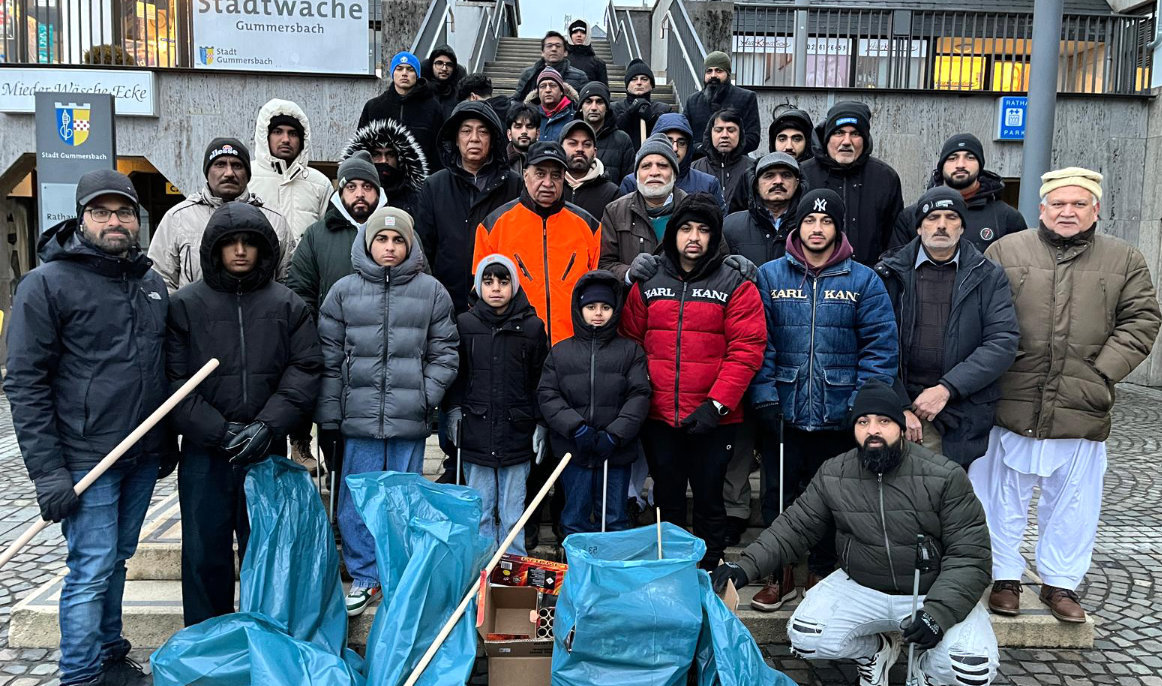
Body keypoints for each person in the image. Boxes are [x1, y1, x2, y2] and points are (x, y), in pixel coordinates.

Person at [712, 380, 999, 686]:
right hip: (864, 586)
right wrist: (744, 567)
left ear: (901, 426)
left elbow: (971, 556)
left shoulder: (945, 476)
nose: (872, 430)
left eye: (883, 421)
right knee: (806, 636)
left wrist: (938, 613)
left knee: (971, 668)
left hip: (930, 590)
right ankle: (876, 651)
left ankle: (927, 672)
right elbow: (795, 526)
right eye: (863, 422)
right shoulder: (834, 472)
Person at [972, 167, 1161, 622]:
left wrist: (1102, 371)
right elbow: (979, 311)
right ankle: (1004, 576)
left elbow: (1142, 319)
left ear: (1096, 209)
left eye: (1078, 204)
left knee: (1074, 501)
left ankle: (1060, 583)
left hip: (1081, 401)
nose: (1067, 212)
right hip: (1014, 396)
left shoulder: (1124, 259)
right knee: (1001, 495)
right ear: (1042, 209)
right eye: (1058, 203)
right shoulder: (1006, 251)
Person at [4, 170, 169, 686]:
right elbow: (25, 383)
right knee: (92, 568)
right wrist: (48, 474)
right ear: (81, 219)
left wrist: (162, 442)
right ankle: (79, 675)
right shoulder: (46, 284)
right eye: (101, 212)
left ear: (137, 220)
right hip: (84, 459)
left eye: (124, 212)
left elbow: (155, 368)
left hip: (139, 454)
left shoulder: (149, 283)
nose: (114, 221)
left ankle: (110, 655)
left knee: (118, 560)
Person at [166, 202, 322, 627]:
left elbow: (305, 368)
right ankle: (208, 642)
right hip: (205, 453)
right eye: (230, 243)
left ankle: (263, 636)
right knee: (204, 554)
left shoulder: (288, 305)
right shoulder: (185, 305)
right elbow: (173, 381)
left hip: (264, 449)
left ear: (263, 248)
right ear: (213, 249)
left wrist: (269, 424)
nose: (239, 251)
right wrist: (217, 431)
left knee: (266, 552)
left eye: (249, 243)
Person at [748, 188, 898, 611]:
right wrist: (765, 397)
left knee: (834, 497)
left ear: (838, 228)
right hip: (784, 409)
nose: (817, 229)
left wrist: (861, 407)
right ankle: (779, 573)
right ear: (797, 226)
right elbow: (758, 342)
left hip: (839, 413)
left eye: (826, 221)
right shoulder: (770, 275)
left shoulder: (863, 280)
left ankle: (821, 570)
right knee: (777, 496)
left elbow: (879, 348)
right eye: (810, 221)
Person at [316, 205, 459, 616]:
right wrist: (330, 414)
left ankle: (398, 573)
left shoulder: (432, 292)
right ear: (368, 243)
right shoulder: (343, 291)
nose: (390, 247)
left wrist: (425, 395)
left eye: (398, 240)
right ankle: (365, 574)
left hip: (408, 419)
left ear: (411, 245)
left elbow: (445, 351)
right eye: (381, 238)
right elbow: (327, 358)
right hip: (357, 419)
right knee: (357, 500)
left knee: (402, 499)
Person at [620, 193, 765, 570]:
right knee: (667, 496)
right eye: (686, 228)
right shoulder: (649, 281)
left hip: (714, 417)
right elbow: (630, 343)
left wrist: (716, 404)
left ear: (715, 236)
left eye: (703, 229)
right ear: (673, 233)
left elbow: (747, 349)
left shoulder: (735, 283)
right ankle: (669, 567)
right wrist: (643, 395)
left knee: (709, 496)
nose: (694, 237)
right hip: (658, 415)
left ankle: (709, 567)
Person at [875, 187, 1019, 465]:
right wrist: (899, 404)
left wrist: (946, 389)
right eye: (933, 217)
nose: (941, 225)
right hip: (900, 407)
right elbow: (874, 343)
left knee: (950, 489)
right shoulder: (887, 273)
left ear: (962, 227)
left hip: (961, 411)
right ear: (919, 227)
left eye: (951, 217)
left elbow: (1002, 342)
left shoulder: (988, 275)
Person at [287, 152, 385, 480]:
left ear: (378, 192)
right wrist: (314, 343)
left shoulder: (395, 233)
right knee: (335, 435)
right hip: (335, 358)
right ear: (340, 191)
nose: (360, 194)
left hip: (384, 358)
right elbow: (300, 293)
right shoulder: (317, 235)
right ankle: (340, 499)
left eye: (367, 187)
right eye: (351, 187)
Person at [445, 255, 548, 555]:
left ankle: (511, 567)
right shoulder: (465, 324)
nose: (496, 288)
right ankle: (483, 567)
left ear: (514, 285)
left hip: (517, 432)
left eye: (503, 282)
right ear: (479, 286)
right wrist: (453, 409)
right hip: (476, 431)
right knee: (481, 510)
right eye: (488, 282)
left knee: (513, 511)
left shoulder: (532, 327)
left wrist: (541, 422)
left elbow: (541, 379)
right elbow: (456, 374)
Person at [538, 270, 651, 536]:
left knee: (614, 516)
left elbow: (639, 395)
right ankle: (576, 558)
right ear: (580, 310)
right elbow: (548, 394)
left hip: (615, 450)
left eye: (605, 307)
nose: (598, 313)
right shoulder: (561, 352)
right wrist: (576, 428)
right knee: (574, 514)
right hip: (574, 449)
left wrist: (616, 434)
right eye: (591, 307)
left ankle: (610, 560)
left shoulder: (630, 351)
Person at [472, 140, 602, 346]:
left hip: (573, 346)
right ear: (525, 175)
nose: (548, 183)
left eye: (556, 175)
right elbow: (479, 296)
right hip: (515, 345)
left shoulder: (589, 227)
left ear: (564, 178)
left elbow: (599, 291)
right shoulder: (493, 226)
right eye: (540, 174)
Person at [415, 100, 523, 315]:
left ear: (493, 139)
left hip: (501, 303)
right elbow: (424, 249)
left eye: (482, 132)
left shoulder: (514, 185)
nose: (474, 138)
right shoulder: (435, 186)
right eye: (466, 131)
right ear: (456, 139)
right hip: (445, 301)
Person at [149, 137, 294, 293]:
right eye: (220, 164)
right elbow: (160, 280)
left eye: (237, 165)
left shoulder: (275, 220)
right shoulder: (178, 218)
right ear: (207, 172)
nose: (229, 173)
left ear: (247, 174)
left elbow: (288, 282)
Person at [800, 101, 903, 266]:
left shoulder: (885, 177)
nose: (846, 141)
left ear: (865, 139)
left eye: (855, 133)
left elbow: (895, 240)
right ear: (827, 138)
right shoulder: (803, 174)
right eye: (839, 133)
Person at [889, 133, 1027, 253]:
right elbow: (898, 266)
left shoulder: (1007, 218)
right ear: (941, 165)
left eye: (970, 157)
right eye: (952, 158)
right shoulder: (912, 216)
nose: (960, 164)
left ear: (980, 165)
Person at [599, 134, 686, 282]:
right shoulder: (614, 211)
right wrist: (628, 273)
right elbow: (604, 264)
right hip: (633, 295)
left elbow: (716, 259)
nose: (654, 172)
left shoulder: (695, 210)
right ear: (637, 175)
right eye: (646, 166)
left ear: (674, 174)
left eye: (662, 165)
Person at [248, 98, 332, 240]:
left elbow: (328, 238)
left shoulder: (320, 184)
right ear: (265, 136)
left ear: (302, 139)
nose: (286, 139)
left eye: (293, 133)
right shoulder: (247, 177)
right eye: (278, 132)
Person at [357, 50, 445, 172]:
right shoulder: (374, 107)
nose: (404, 73)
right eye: (399, 69)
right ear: (393, 73)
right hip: (383, 176)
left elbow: (439, 150)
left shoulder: (432, 108)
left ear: (417, 75)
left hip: (421, 177)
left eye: (410, 69)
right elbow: (361, 147)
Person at [617, 117, 725, 211]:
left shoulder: (708, 184)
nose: (675, 148)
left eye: (681, 143)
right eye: (668, 141)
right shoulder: (632, 183)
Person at [723, 151, 803, 267]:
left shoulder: (809, 225)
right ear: (756, 184)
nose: (778, 181)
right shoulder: (731, 226)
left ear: (797, 183)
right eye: (769, 176)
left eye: (786, 175)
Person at [341, 116, 429, 218]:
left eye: (390, 154)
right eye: (376, 154)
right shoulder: (349, 194)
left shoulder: (416, 198)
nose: (384, 161)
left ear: (400, 159)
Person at [683, 51, 761, 158]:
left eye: (718, 71)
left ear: (728, 74)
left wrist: (727, 148)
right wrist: (700, 148)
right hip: (700, 161)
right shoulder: (692, 101)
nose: (713, 75)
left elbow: (753, 137)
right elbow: (685, 135)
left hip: (736, 163)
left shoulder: (746, 98)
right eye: (709, 71)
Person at [692, 107, 756, 213]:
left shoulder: (753, 169)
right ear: (710, 133)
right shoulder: (694, 169)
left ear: (740, 134)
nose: (725, 135)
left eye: (731, 130)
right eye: (719, 130)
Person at [560, 119, 620, 222]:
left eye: (587, 144)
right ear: (560, 148)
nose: (580, 149)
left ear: (595, 152)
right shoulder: (550, 187)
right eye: (573, 143)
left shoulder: (611, 193)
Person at [575, 81, 634, 184]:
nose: (594, 107)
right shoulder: (568, 137)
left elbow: (629, 182)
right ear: (580, 107)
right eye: (588, 102)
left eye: (599, 102)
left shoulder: (622, 140)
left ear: (607, 108)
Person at [513, 31, 589, 101]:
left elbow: (584, 102)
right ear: (542, 52)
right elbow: (517, 99)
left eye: (558, 46)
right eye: (549, 46)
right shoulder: (529, 74)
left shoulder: (579, 76)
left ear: (565, 52)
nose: (554, 49)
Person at [612, 58, 671, 149]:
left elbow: (669, 136)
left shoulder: (663, 109)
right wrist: (629, 113)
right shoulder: (615, 108)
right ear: (627, 86)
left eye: (644, 79)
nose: (639, 83)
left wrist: (652, 118)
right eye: (634, 79)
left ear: (651, 85)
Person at [526, 68, 577, 146]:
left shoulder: (575, 116)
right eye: (543, 86)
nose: (548, 90)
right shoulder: (529, 116)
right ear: (538, 92)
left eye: (552, 85)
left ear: (561, 91)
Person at [422, 44, 466, 118]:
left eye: (449, 64)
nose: (444, 68)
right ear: (431, 65)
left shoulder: (459, 95)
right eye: (439, 63)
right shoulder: (421, 91)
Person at [565, 19, 608, 85]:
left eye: (583, 32)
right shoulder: (562, 61)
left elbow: (603, 88)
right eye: (575, 32)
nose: (579, 35)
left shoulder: (598, 63)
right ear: (570, 35)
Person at [506, 102, 542, 175]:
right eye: (518, 127)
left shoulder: (546, 161)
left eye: (529, 127)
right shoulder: (500, 162)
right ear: (509, 134)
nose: (524, 132)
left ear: (537, 133)